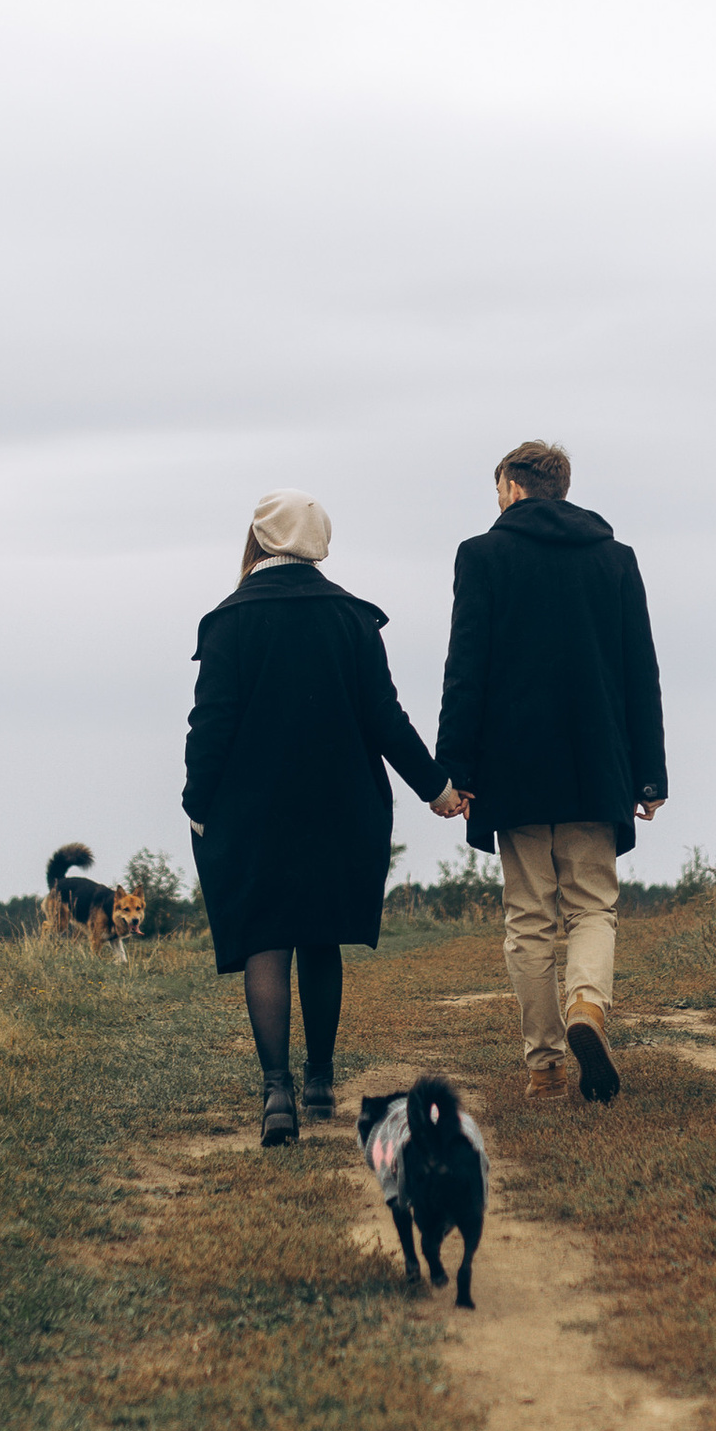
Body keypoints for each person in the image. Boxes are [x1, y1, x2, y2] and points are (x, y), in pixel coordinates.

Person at [184, 491, 453, 1147]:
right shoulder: (352, 619)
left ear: (257, 538)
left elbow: (210, 724)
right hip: (341, 803)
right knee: (321, 935)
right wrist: (436, 787)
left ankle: (276, 1091)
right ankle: (322, 1077)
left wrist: (198, 802)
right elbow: (385, 718)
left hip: (252, 809)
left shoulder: (226, 622)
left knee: (266, 939)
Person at [434, 439, 666, 1104]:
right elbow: (638, 672)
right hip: (598, 766)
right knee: (594, 905)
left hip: (514, 767)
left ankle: (544, 1067)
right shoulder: (614, 559)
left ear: (511, 486)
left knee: (530, 918)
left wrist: (456, 767)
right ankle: (586, 1009)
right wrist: (647, 774)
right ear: (560, 487)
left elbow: (466, 669)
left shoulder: (481, 556)